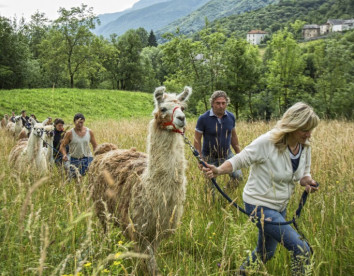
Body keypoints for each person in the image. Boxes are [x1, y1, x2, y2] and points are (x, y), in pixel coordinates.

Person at [203, 102, 320, 275]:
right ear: (292, 126)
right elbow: (240, 159)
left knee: (266, 252)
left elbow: (304, 173)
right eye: (305, 129)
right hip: (259, 206)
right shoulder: (267, 142)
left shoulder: (304, 145)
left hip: (280, 205)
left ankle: (239, 273)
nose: (309, 134)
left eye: (311, 129)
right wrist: (218, 170)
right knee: (301, 249)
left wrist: (307, 181)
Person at [194, 90, 243, 184]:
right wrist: (200, 158)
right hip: (209, 157)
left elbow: (233, 136)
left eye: (223, 103)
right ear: (212, 103)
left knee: (238, 177)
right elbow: (197, 139)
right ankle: (213, 199)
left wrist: (239, 154)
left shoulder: (231, 117)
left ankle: (227, 193)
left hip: (227, 155)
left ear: (226, 103)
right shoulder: (203, 118)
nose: (221, 106)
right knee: (210, 185)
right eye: (218, 103)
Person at [60, 113, 97, 178]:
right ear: (74, 122)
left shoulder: (89, 132)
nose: (80, 125)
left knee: (89, 177)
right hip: (75, 159)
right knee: (77, 180)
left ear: (84, 122)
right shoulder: (69, 133)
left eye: (81, 123)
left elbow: (95, 146)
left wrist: (97, 156)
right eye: (78, 123)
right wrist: (64, 154)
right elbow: (62, 146)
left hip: (88, 158)